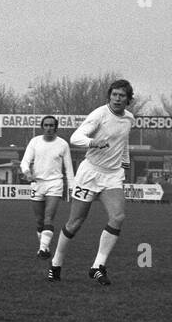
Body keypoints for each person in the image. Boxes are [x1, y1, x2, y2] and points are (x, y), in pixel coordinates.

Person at [47, 79, 136, 286]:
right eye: (114, 94)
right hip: (90, 173)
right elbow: (75, 137)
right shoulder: (99, 115)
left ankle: (97, 267)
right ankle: (56, 264)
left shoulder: (130, 119)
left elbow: (123, 141)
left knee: (118, 217)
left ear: (128, 99)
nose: (117, 99)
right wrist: (93, 142)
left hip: (112, 175)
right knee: (75, 222)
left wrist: (125, 162)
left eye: (122, 95)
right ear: (109, 96)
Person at [20, 116, 75, 258]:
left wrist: (72, 188)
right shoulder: (35, 142)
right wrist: (27, 172)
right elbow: (25, 162)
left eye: (51, 125)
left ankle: (43, 249)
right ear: (42, 127)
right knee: (39, 220)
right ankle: (44, 246)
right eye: (46, 125)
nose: (49, 128)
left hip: (55, 183)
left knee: (48, 217)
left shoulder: (63, 144)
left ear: (56, 127)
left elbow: (69, 168)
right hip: (37, 183)